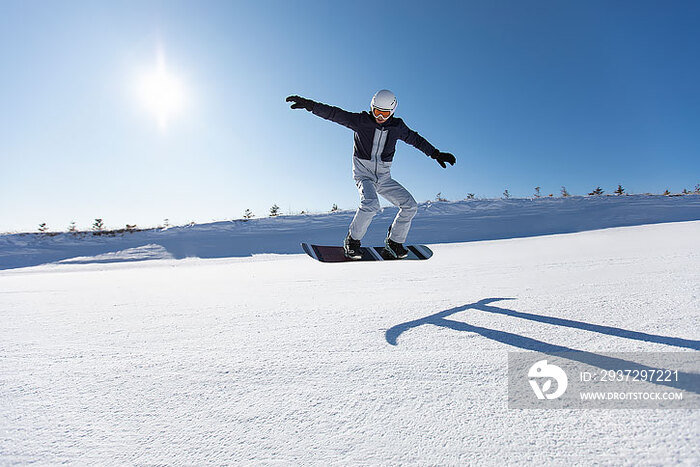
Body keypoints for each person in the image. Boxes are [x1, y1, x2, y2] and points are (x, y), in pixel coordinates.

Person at [286, 90, 456, 259]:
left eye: (385, 113)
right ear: (372, 108)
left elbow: (416, 140)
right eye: (377, 112)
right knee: (371, 204)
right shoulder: (361, 121)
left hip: (384, 177)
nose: (380, 117)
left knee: (410, 205)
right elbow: (334, 113)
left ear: (392, 111)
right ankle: (352, 242)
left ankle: (394, 243)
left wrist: (435, 153)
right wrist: (311, 105)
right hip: (364, 174)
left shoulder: (397, 127)